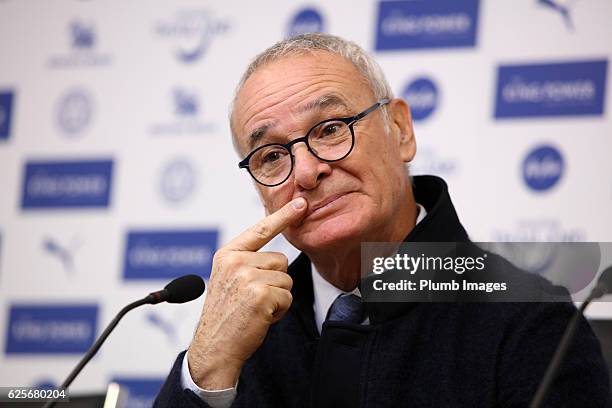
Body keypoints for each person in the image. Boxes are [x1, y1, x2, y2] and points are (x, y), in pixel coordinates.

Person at [155, 33, 611, 407]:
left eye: (331, 129)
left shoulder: (530, 323)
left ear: (401, 131)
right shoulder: (246, 334)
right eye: (272, 155)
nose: (308, 172)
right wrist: (205, 370)